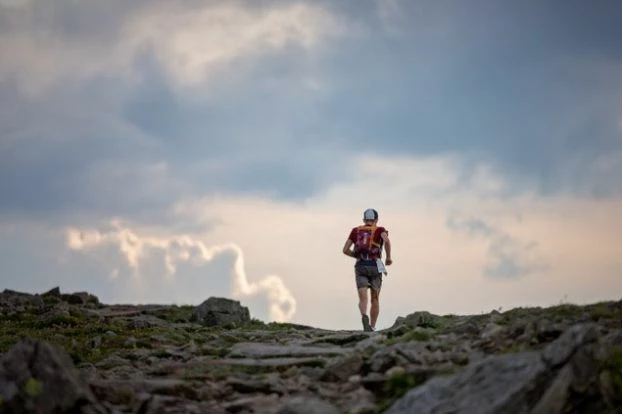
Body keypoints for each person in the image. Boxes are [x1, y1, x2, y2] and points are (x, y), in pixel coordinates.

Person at [342, 208, 392, 332]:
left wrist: (357, 256)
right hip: (375, 266)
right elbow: (386, 241)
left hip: (361, 266)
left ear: (364, 219)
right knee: (375, 298)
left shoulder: (356, 230)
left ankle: (364, 316)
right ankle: (372, 326)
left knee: (363, 297)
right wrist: (388, 258)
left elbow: (345, 250)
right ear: (376, 219)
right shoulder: (380, 230)